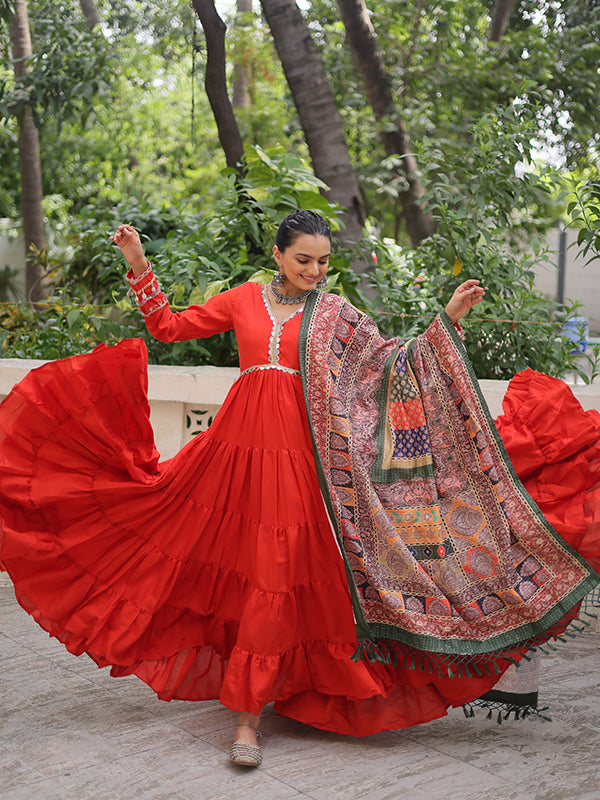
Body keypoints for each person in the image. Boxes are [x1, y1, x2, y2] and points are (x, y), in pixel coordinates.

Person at [0, 210, 597, 769]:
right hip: (235, 456)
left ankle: (249, 717)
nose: (314, 272)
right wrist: (137, 259)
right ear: (279, 254)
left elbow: (390, 365)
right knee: (219, 557)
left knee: (279, 571)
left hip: (303, 461)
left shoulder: (336, 314)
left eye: (322, 263)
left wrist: (448, 320)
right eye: (304, 260)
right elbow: (169, 327)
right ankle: (246, 706)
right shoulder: (241, 301)